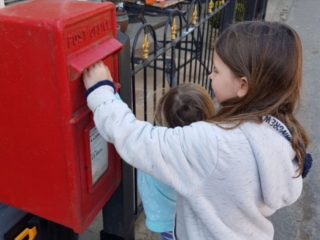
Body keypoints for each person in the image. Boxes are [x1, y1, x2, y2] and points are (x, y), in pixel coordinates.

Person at [83, 21, 312, 240]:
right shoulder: (278, 131)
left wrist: (101, 92)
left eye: (216, 70)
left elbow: (138, 140)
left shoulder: (214, 143)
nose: (210, 75)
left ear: (242, 85)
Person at [137, 84, 215, 240]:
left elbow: (125, 132)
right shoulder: (212, 148)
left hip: (168, 221)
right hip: (191, 220)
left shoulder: (158, 148)